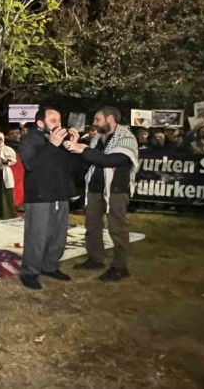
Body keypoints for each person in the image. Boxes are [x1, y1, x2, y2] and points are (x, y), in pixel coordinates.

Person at [67, 106, 138, 282]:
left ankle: (120, 267)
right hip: (95, 188)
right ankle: (95, 259)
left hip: (116, 190)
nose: (94, 123)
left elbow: (109, 160)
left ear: (110, 119)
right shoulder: (98, 138)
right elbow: (88, 161)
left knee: (117, 228)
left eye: (98, 119)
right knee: (92, 226)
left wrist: (82, 149)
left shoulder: (127, 139)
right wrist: (76, 148)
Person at [17, 107, 78, 290]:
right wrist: (51, 146)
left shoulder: (61, 141)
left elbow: (73, 169)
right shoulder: (29, 139)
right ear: (40, 123)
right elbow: (31, 165)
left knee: (58, 235)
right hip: (39, 196)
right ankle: (30, 272)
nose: (58, 124)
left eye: (59, 120)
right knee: (37, 235)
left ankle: (50, 266)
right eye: (53, 120)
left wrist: (74, 147)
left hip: (60, 194)